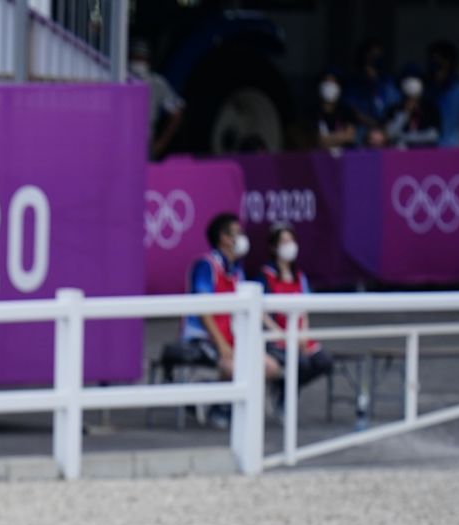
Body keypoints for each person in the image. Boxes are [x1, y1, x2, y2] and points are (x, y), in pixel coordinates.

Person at [182, 212, 282, 426]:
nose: (242, 238)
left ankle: (219, 398)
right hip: (203, 338)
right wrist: (221, 344)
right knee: (237, 369)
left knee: (271, 367)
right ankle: (217, 405)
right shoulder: (206, 266)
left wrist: (278, 332)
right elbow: (203, 310)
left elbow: (250, 307)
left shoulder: (237, 270)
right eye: (237, 233)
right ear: (224, 238)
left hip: (232, 336)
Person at [257, 224, 333, 410]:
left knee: (324, 362)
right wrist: (282, 335)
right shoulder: (264, 276)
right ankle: (285, 395)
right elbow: (261, 313)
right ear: (273, 247)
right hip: (276, 338)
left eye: (291, 240)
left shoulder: (300, 277)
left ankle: (284, 387)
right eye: (284, 241)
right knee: (301, 363)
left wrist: (303, 334)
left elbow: (304, 310)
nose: (289, 245)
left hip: (299, 336)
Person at [130, 37, 185, 160]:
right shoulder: (121, 80)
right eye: (135, 57)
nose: (138, 62)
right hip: (120, 141)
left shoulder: (156, 82)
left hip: (144, 142)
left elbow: (176, 113)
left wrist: (160, 144)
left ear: (148, 61)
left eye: (141, 58)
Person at [346, 39, 401, 139]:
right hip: (361, 134)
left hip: (386, 134)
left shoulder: (388, 82)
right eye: (371, 56)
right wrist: (376, 125)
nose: (373, 60)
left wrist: (384, 127)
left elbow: (396, 107)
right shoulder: (354, 83)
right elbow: (352, 111)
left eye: (377, 56)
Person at [384, 64, 441, 148]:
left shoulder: (430, 108)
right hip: (401, 153)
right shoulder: (394, 109)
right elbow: (389, 134)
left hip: (425, 151)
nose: (412, 85)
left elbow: (433, 135)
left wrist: (404, 137)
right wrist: (405, 113)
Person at [426, 39, 459, 148]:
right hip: (432, 148)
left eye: (437, 64)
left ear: (448, 63)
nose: (434, 69)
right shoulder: (430, 89)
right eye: (431, 64)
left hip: (450, 148)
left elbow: (447, 127)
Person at [313, 70, 358, 153]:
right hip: (318, 156)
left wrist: (327, 139)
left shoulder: (347, 110)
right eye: (326, 81)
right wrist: (342, 136)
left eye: (333, 82)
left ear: (339, 87)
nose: (329, 86)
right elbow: (316, 140)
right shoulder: (312, 112)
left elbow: (350, 136)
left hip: (346, 156)